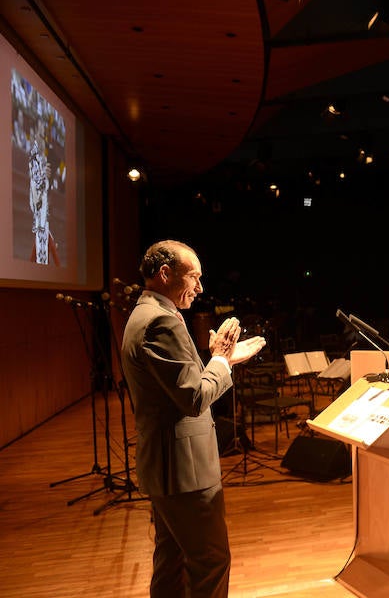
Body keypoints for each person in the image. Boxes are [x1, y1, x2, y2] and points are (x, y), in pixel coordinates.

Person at [121, 240, 266, 598]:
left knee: (171, 562)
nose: (200, 288)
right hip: (184, 472)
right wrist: (219, 359)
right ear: (165, 274)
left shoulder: (147, 314)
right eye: (194, 277)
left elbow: (181, 387)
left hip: (167, 470)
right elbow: (194, 397)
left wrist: (225, 361)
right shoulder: (160, 322)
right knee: (211, 562)